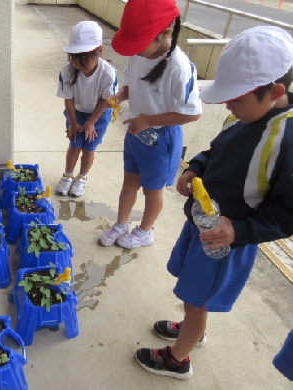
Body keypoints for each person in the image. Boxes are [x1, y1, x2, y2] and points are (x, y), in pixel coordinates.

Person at [135, 26, 293, 380]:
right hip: (204, 224)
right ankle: (195, 328)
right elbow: (217, 149)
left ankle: (178, 359)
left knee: (196, 298)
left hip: (225, 239)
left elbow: (288, 214)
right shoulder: (246, 114)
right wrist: (196, 167)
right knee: (194, 294)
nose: (228, 105)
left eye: (236, 98)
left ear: (276, 91)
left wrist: (239, 229)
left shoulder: (286, 138)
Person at [97, 0, 201, 249]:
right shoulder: (138, 53)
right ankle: (122, 223)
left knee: (152, 190)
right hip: (136, 130)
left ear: (165, 33)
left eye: (139, 42)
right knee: (129, 182)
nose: (135, 49)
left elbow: (192, 113)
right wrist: (120, 96)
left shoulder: (178, 67)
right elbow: (132, 84)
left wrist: (149, 121)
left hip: (160, 138)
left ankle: (145, 230)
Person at [55, 21, 118, 197]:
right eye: (74, 58)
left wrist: (91, 123)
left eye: (84, 58)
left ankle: (82, 177)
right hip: (76, 112)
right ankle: (68, 175)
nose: (78, 63)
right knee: (75, 143)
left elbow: (105, 102)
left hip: (98, 114)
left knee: (89, 147)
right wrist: (73, 123)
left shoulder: (108, 73)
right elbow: (68, 99)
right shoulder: (67, 70)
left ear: (100, 51)